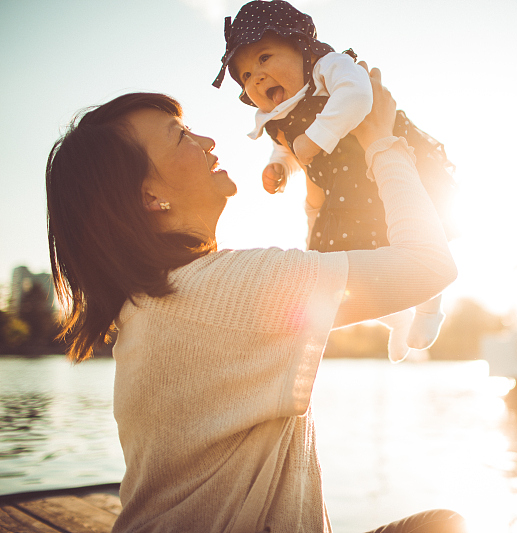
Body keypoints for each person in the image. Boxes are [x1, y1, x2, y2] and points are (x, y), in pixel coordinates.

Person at [46, 64, 464, 532]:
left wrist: (315, 202)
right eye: (181, 136)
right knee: (446, 525)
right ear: (150, 196)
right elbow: (430, 265)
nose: (208, 142)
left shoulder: (163, 299)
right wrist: (381, 141)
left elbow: (311, 299)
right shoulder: (227, 288)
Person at [211, 0, 458, 363]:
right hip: (345, 191)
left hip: (384, 161)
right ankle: (398, 318)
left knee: (415, 229)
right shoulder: (278, 114)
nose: (256, 77)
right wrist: (280, 166)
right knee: (338, 271)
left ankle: (428, 310)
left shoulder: (328, 66)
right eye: (245, 75)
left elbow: (358, 95)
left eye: (264, 58)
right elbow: (290, 148)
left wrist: (315, 138)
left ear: (299, 47)